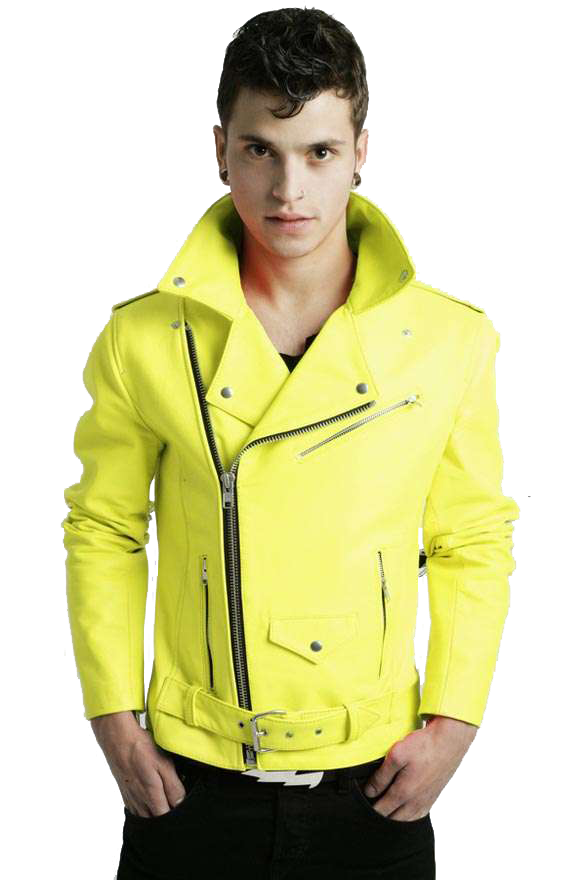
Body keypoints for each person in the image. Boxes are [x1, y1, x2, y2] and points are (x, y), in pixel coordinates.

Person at [61, 7, 521, 879]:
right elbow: (104, 529)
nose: (287, 190)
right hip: (189, 784)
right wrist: (113, 718)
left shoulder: (451, 340)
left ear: (361, 152)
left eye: (319, 152)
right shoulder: (143, 339)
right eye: (260, 150)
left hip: (376, 781)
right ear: (220, 150)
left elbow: (471, 537)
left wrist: (455, 722)